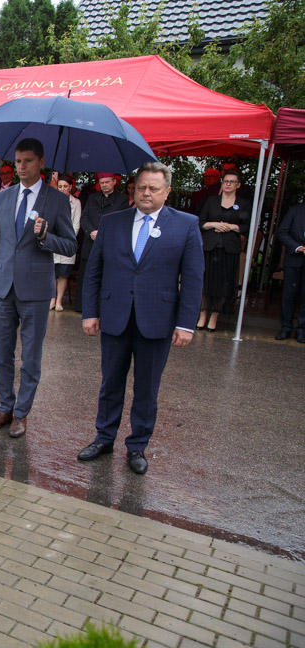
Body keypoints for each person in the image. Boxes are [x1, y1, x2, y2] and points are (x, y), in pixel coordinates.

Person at [78, 162, 204, 475]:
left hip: (157, 321)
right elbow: (94, 270)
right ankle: (104, 438)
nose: (146, 193)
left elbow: (192, 278)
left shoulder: (186, 225)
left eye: (154, 188)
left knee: (147, 389)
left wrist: (186, 324)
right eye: (141, 187)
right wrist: (90, 312)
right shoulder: (112, 222)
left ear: (167, 191)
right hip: (115, 316)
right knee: (110, 383)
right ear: (134, 189)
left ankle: (137, 447)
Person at [0, 138, 76, 438]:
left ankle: (22, 413)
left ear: (41, 162)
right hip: (3, 286)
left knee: (30, 356)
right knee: (1, 352)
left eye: (28, 161)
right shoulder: (3, 197)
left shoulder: (56, 200)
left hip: (35, 289)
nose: (21, 166)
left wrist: (47, 237)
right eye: (18, 161)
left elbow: (71, 245)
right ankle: (5, 407)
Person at [197, 169, 250, 332]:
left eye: (232, 181)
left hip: (229, 248)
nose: (228, 184)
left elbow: (247, 226)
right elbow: (200, 222)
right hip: (209, 247)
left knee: (223, 283)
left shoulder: (243, 203)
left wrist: (232, 227)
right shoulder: (211, 201)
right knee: (205, 282)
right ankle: (203, 314)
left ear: (238, 185)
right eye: (225, 181)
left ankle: (215, 316)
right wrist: (215, 224)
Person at [74, 172, 129, 312]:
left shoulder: (122, 199)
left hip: (109, 245)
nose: (104, 185)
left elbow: (122, 221)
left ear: (114, 182)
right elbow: (84, 218)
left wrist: (103, 233)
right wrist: (91, 231)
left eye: (107, 182)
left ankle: (103, 306)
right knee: (87, 275)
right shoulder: (92, 198)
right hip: (90, 242)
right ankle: (83, 306)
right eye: (102, 183)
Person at [275, 202, 305, 342]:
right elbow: (282, 232)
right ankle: (286, 327)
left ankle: (302, 330)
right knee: (288, 295)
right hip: (294, 259)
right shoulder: (295, 210)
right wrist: (298, 247)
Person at [52, 174, 81, 312]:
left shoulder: (76, 203)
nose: (62, 189)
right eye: (60, 186)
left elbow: (76, 224)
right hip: (53, 241)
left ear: (70, 187)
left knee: (63, 272)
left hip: (67, 242)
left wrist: (66, 238)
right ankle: (51, 298)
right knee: (52, 272)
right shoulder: (52, 200)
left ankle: (59, 300)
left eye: (65, 186)